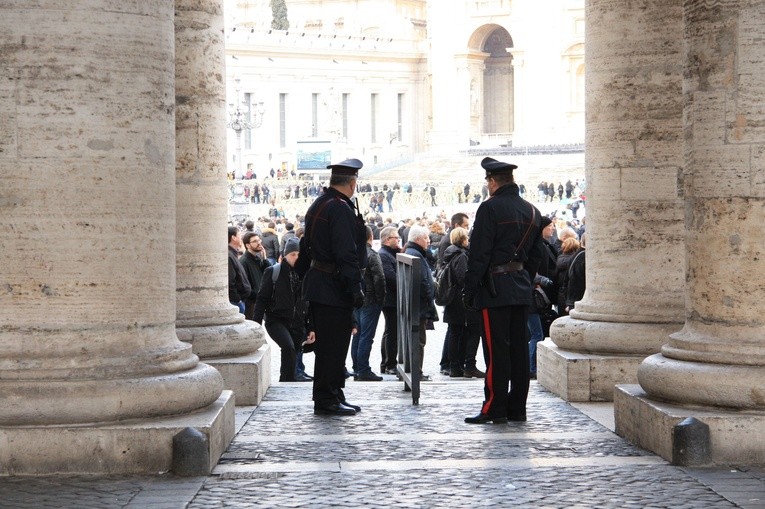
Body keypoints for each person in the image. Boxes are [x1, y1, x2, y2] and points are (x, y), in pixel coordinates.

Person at [463, 157, 543, 424]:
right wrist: (523, 278)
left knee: (496, 353)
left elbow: (479, 253)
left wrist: (470, 289)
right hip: (520, 288)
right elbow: (536, 257)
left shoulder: (490, 209)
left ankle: (494, 408)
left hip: (494, 289)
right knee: (519, 351)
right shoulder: (532, 211)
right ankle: (517, 408)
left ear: (493, 181)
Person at [296, 158, 367, 416]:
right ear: (352, 182)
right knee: (332, 347)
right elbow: (345, 252)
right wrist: (355, 287)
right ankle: (326, 398)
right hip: (333, 285)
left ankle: (334, 393)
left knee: (334, 345)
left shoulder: (321, 203)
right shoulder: (339, 208)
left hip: (322, 282)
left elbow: (306, 245)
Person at [252, 238, 310, 382]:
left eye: (298, 254)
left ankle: (288, 380)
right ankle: (287, 381)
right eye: (292, 254)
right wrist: (256, 324)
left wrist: (311, 327)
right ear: (285, 255)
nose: (296, 258)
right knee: (288, 348)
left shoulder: (305, 274)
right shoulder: (273, 272)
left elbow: (309, 302)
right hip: (276, 320)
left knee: (293, 352)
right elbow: (262, 298)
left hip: (297, 322)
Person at [441, 227, 484, 378]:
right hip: (461, 301)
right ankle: (468, 365)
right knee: (473, 330)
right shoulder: (461, 256)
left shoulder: (450, 254)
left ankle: (455, 367)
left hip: (453, 300)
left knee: (455, 332)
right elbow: (464, 278)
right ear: (463, 239)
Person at [350, 226, 386, 381]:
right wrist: (381, 299)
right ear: (370, 237)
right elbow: (379, 278)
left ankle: (357, 367)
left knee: (357, 334)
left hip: (357, 299)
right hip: (370, 300)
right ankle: (363, 369)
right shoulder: (372, 254)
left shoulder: (352, 254)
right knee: (366, 336)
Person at [403, 224, 438, 381]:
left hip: (417, 305)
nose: (428, 241)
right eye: (426, 238)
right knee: (418, 341)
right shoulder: (415, 255)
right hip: (419, 306)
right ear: (417, 239)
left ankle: (416, 371)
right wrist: (430, 300)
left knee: (418, 340)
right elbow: (423, 283)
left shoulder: (414, 253)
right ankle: (417, 372)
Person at [377, 226, 401, 375]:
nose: (398, 240)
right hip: (390, 300)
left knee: (390, 331)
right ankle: (389, 363)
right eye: (396, 238)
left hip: (392, 299)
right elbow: (391, 277)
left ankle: (388, 362)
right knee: (391, 332)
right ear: (387, 239)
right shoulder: (384, 255)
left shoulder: (389, 253)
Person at [240, 231, 272, 320]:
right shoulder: (244, 261)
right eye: (255, 241)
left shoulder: (257, 258)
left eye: (259, 240)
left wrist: (265, 259)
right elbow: (244, 286)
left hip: (259, 301)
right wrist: (257, 296)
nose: (259, 243)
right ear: (248, 245)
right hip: (251, 303)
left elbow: (268, 274)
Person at [228, 226, 251, 314]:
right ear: (233, 237)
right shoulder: (229, 256)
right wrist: (237, 300)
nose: (241, 238)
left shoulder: (232, 254)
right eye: (239, 235)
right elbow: (230, 281)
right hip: (236, 302)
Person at [565, 233, 586, 313]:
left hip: (573, 299)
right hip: (577, 299)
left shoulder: (578, 255)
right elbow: (578, 279)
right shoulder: (583, 256)